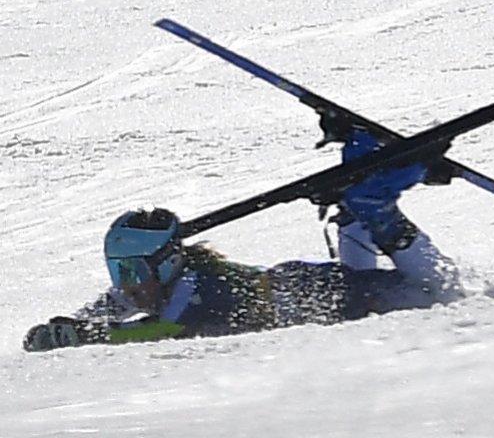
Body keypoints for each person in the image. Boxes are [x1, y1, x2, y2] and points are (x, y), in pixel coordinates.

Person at [23, 128, 463, 352]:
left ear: (165, 263)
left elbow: (161, 331)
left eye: (132, 269)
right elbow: (117, 304)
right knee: (375, 250)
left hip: (350, 298)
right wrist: (71, 325)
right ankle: (357, 173)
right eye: (118, 269)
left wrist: (87, 338)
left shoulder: (194, 293)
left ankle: (378, 200)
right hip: (324, 288)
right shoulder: (171, 276)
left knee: (442, 293)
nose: (125, 282)